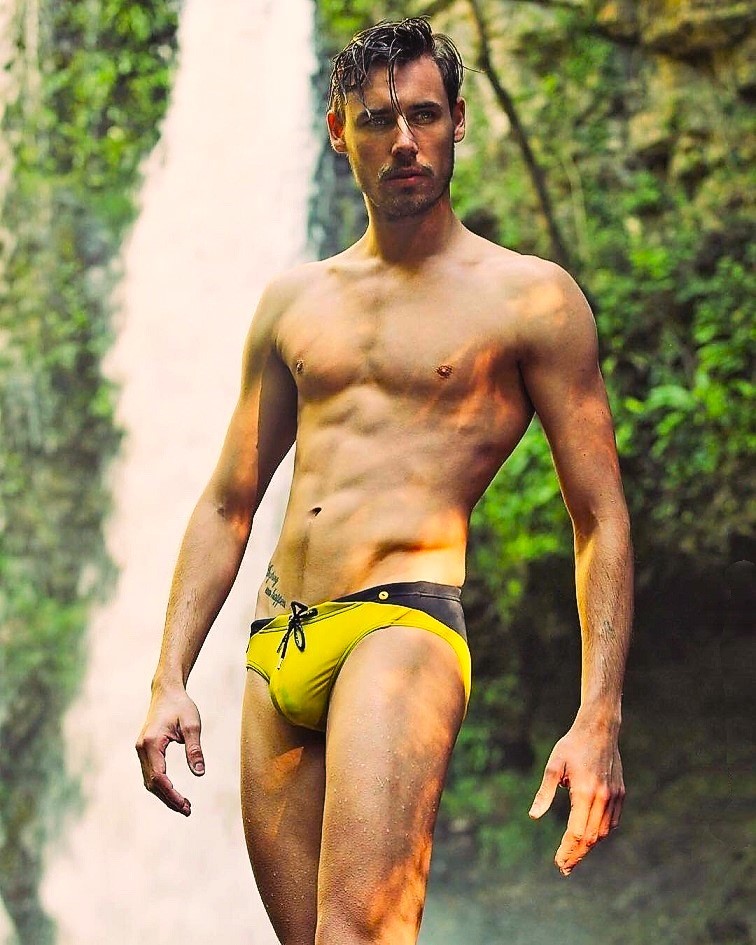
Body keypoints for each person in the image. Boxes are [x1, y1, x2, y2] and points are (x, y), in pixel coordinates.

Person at [136, 16, 633, 945]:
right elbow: (229, 501)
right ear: (338, 132)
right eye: (377, 119)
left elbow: (600, 517)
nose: (403, 140)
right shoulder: (293, 300)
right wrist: (170, 675)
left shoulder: (531, 299)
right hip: (275, 646)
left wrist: (597, 714)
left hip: (400, 628)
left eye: (424, 116)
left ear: (456, 122)